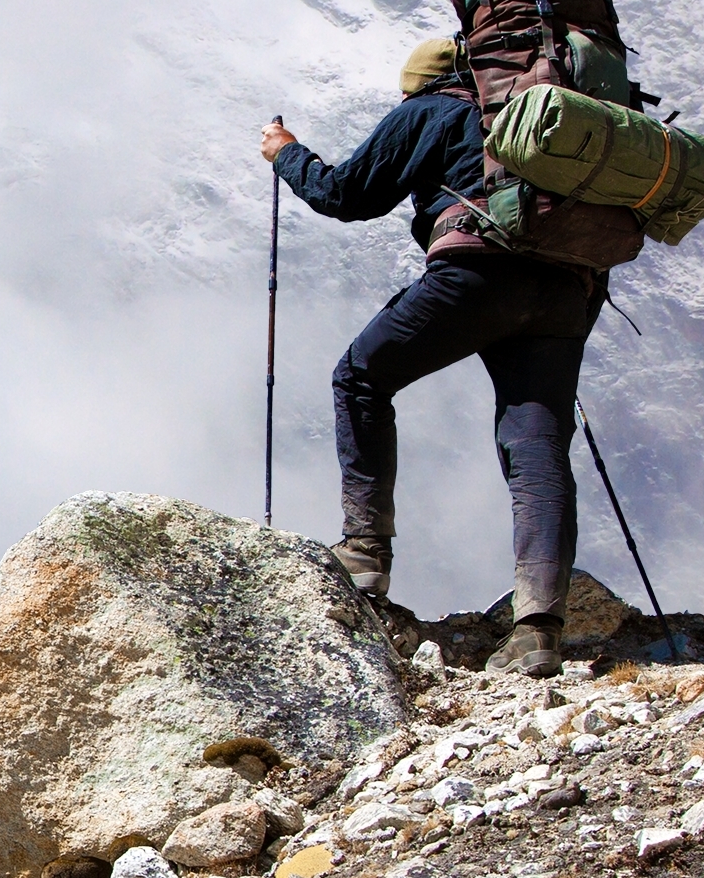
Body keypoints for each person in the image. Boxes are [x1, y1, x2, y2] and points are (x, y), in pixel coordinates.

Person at [258, 36, 603, 677]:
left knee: (361, 376)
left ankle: (364, 552)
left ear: (419, 83)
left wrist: (286, 154)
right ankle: (538, 631)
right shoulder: (550, 117)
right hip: (567, 288)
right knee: (536, 444)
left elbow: (346, 195)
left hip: (476, 273)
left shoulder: (431, 110)